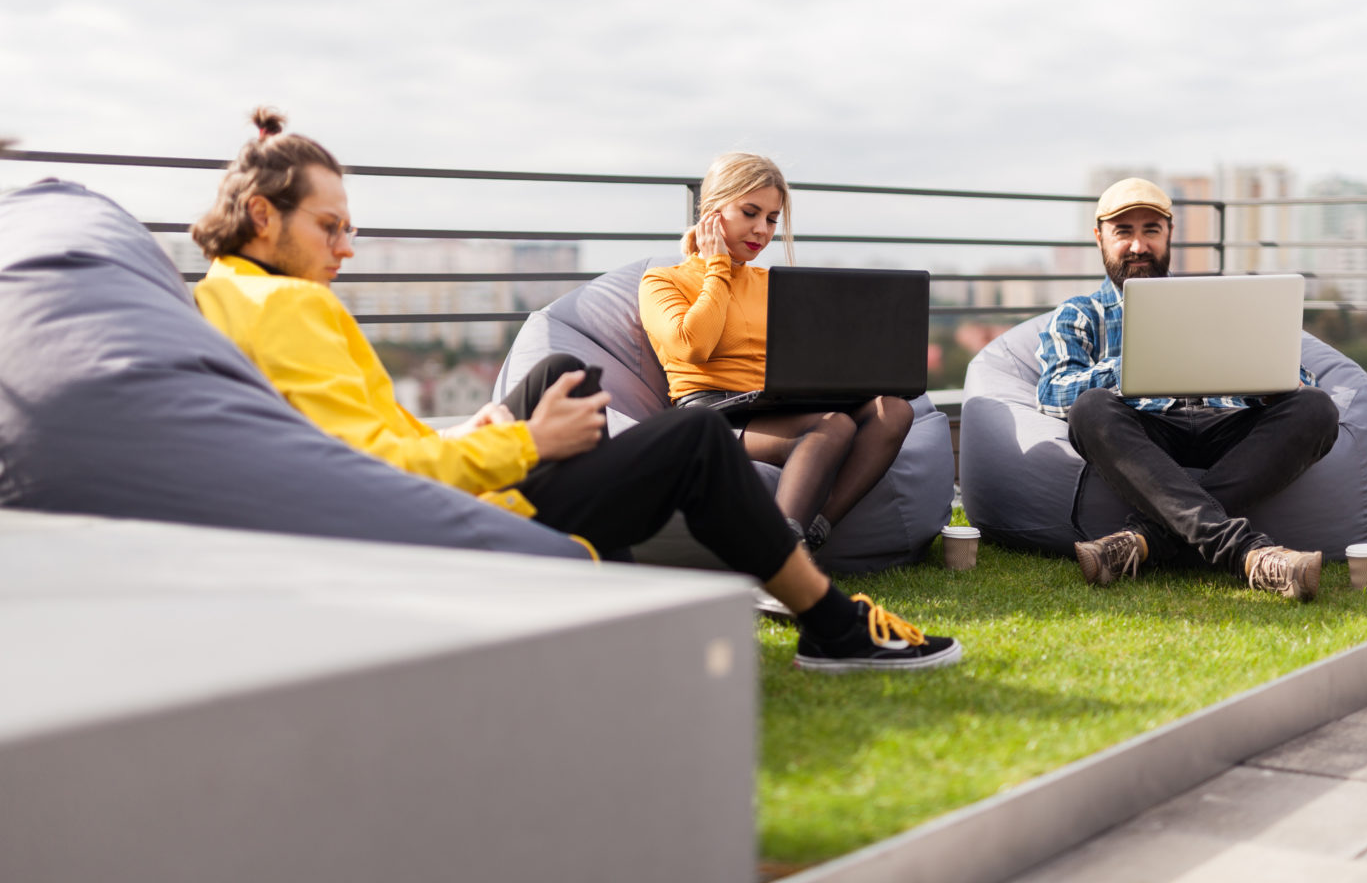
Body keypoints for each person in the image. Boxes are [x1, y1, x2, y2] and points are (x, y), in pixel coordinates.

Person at [190, 109, 961, 673]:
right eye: (331, 227)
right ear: (263, 216)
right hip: (444, 521)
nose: (346, 248)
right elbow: (377, 471)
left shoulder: (233, 294)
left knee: (561, 376)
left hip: (442, 485)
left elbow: (364, 442)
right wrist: (527, 442)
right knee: (692, 440)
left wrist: (479, 432)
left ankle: (617, 605)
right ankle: (831, 622)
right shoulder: (290, 308)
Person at [1036, 177, 1339, 601]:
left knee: (1317, 409)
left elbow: (1301, 380)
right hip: (1145, 438)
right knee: (1090, 411)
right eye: (1124, 232)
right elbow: (1053, 393)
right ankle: (1249, 555)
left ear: (1170, 235)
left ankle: (1144, 541)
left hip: (1231, 431)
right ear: (1099, 238)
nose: (1138, 246)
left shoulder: (1220, 301)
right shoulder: (1079, 314)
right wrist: (1132, 365)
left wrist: (1267, 382)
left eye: (1151, 231)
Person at [639, 152, 914, 554]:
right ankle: (778, 557)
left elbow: (808, 354)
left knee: (895, 410)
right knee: (833, 426)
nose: (761, 230)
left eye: (771, 219)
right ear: (712, 212)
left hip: (777, 403)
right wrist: (717, 265)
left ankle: (811, 532)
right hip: (711, 415)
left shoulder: (773, 282)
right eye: (750, 212)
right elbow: (692, 344)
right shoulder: (662, 281)